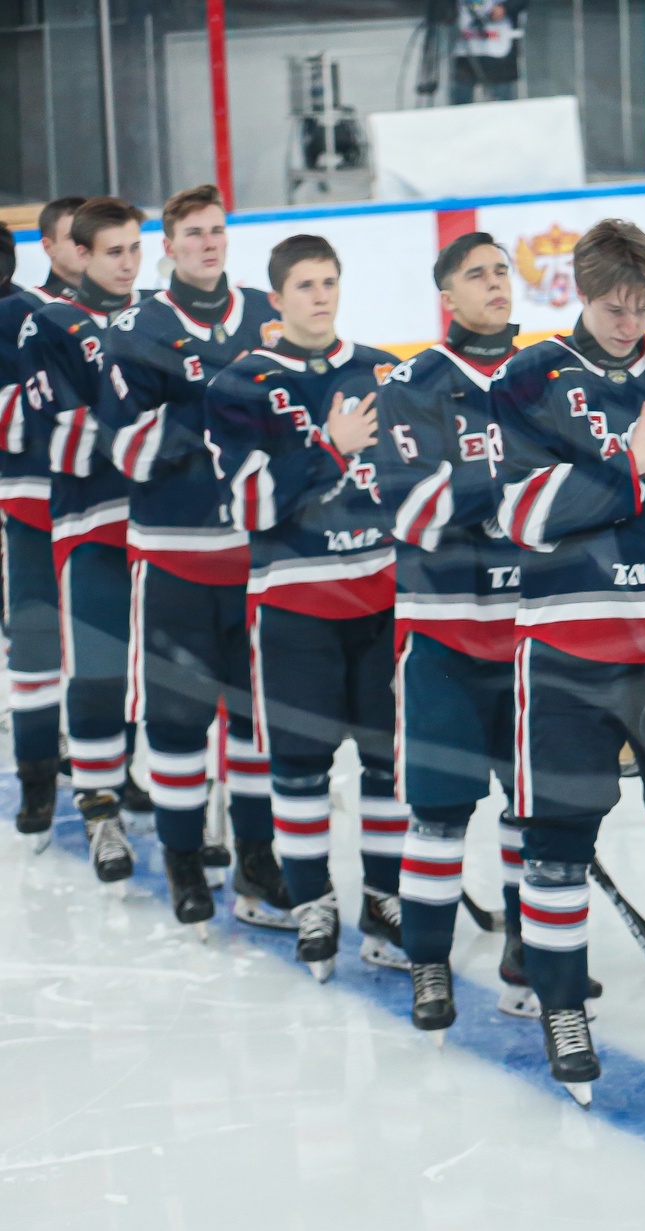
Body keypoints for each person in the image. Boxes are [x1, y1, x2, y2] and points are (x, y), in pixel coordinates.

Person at [490, 219, 645, 1099]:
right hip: (567, 651)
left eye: (643, 304)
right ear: (580, 293)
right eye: (613, 305)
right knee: (557, 841)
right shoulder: (530, 377)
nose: (629, 320)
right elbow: (521, 516)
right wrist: (628, 469)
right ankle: (561, 1002)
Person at [205, 234, 405, 976]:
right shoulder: (240, 385)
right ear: (277, 298)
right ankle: (312, 897)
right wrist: (330, 448)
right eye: (305, 286)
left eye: (329, 282)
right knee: (298, 764)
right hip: (294, 601)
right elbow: (249, 505)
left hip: (381, 599)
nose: (320, 297)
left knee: (388, 761)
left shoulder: (381, 371)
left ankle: (384, 898)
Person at [95, 184, 286, 934]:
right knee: (176, 723)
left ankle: (257, 857)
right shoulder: (137, 329)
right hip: (174, 558)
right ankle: (182, 859)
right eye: (193, 234)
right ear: (168, 247)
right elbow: (129, 453)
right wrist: (209, 407)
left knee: (255, 722)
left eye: (216, 231)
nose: (208, 243)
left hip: (256, 560)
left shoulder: (266, 315)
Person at [371, 230, 542, 1029]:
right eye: (477, 274)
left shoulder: (548, 373)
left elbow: (583, 491)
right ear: (448, 297)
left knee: (530, 812)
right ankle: (429, 962)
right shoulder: (413, 384)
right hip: (444, 636)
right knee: (439, 815)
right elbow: (414, 510)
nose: (495, 282)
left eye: (502, 270)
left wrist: (477, 484)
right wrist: (517, 481)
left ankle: (526, 951)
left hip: (536, 634)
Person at [23, 196, 147, 883]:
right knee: (98, 669)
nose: (127, 264)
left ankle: (141, 785)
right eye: (113, 251)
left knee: (163, 678)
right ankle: (99, 807)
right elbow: (63, 445)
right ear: (81, 254)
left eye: (135, 249)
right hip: (92, 520)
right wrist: (148, 431)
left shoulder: (159, 317)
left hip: (166, 527)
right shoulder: (50, 324)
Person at [0, 198, 85, 844]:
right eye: (72, 239)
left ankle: (105, 770)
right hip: (31, 501)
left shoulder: (130, 316)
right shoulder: (17, 316)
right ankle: (36, 774)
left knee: (105, 643)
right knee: (34, 639)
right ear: (48, 247)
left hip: (101, 507)